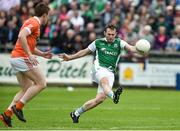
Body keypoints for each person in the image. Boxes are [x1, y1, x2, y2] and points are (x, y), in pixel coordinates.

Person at [59, 24, 146, 123]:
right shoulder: (98, 42)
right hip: (98, 68)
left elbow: (131, 48)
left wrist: (140, 50)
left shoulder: (119, 42)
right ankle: (114, 96)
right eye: (109, 34)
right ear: (105, 33)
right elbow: (84, 52)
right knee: (105, 82)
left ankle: (76, 113)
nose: (111, 36)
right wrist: (70, 57)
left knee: (100, 99)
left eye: (113, 34)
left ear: (116, 34)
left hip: (110, 72)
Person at [0, 2, 51, 127]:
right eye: (48, 15)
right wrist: (28, 54)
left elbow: (29, 45)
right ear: (44, 15)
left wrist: (42, 54)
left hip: (16, 57)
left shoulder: (33, 23)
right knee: (41, 83)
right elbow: (21, 35)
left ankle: (7, 114)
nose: (48, 18)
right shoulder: (34, 23)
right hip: (21, 57)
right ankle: (18, 107)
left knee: (27, 88)